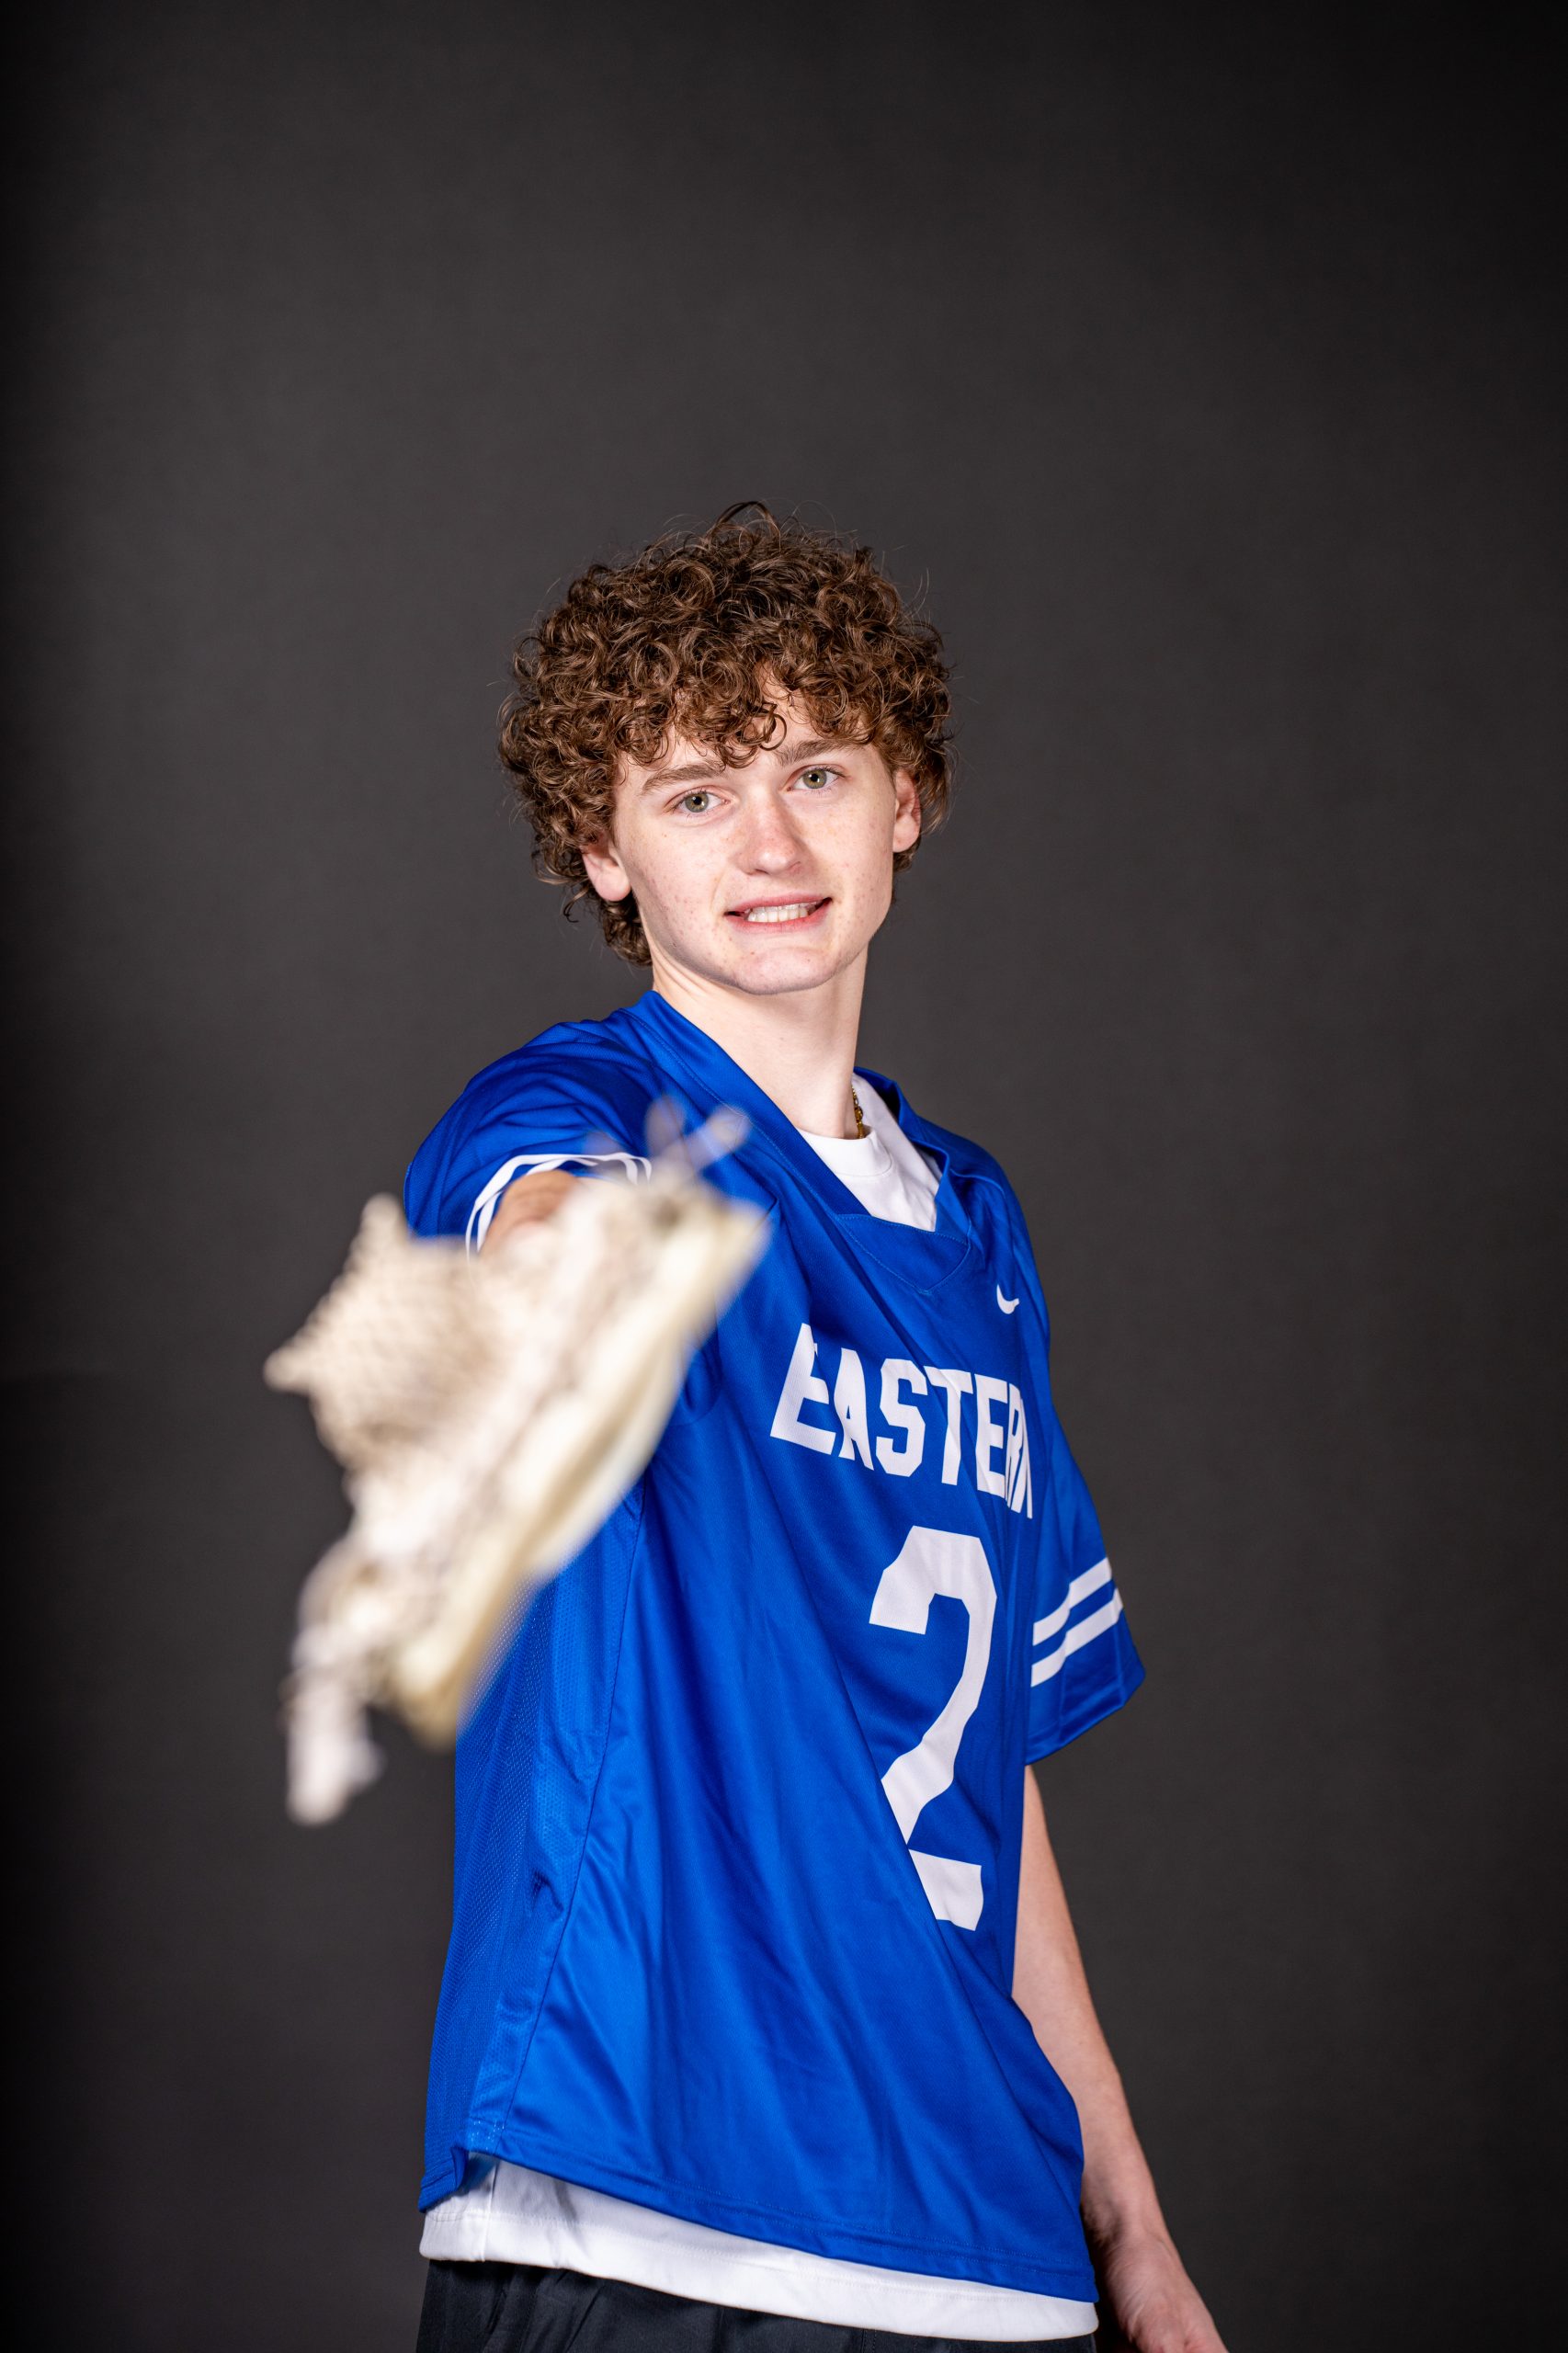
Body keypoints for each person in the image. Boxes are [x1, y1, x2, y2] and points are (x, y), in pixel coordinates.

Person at [406, 506, 1225, 2352]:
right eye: (695, 795)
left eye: (816, 772)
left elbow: (982, 1767)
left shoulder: (975, 1231)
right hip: (647, 2205)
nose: (768, 845)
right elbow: (541, 1220)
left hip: (984, 2244)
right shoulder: (574, 1103)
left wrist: (1131, 2220)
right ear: (602, 849)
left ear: (903, 801)